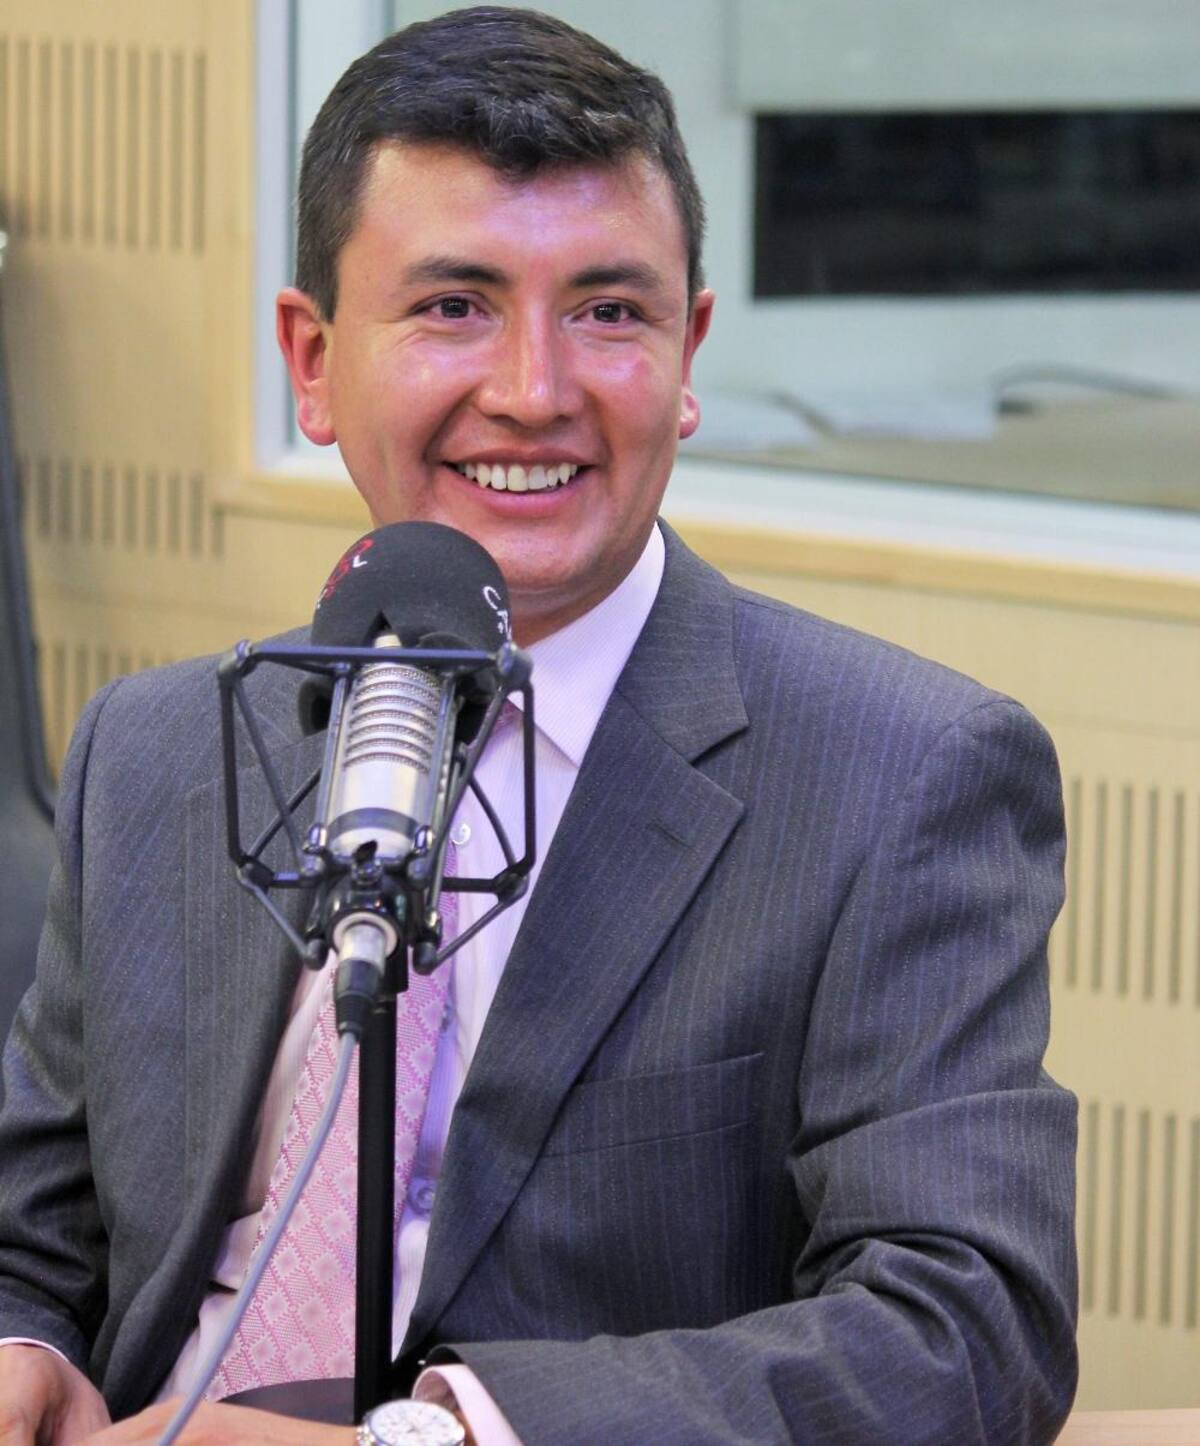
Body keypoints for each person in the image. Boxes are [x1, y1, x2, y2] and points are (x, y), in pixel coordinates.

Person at [0, 8, 1078, 1443]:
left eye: (609, 311)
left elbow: (968, 1326)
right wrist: (18, 1342)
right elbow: (33, 1235)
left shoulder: (905, 774)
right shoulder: (154, 753)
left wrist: (440, 1438)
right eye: (454, 305)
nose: (533, 393)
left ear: (689, 353)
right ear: (312, 360)